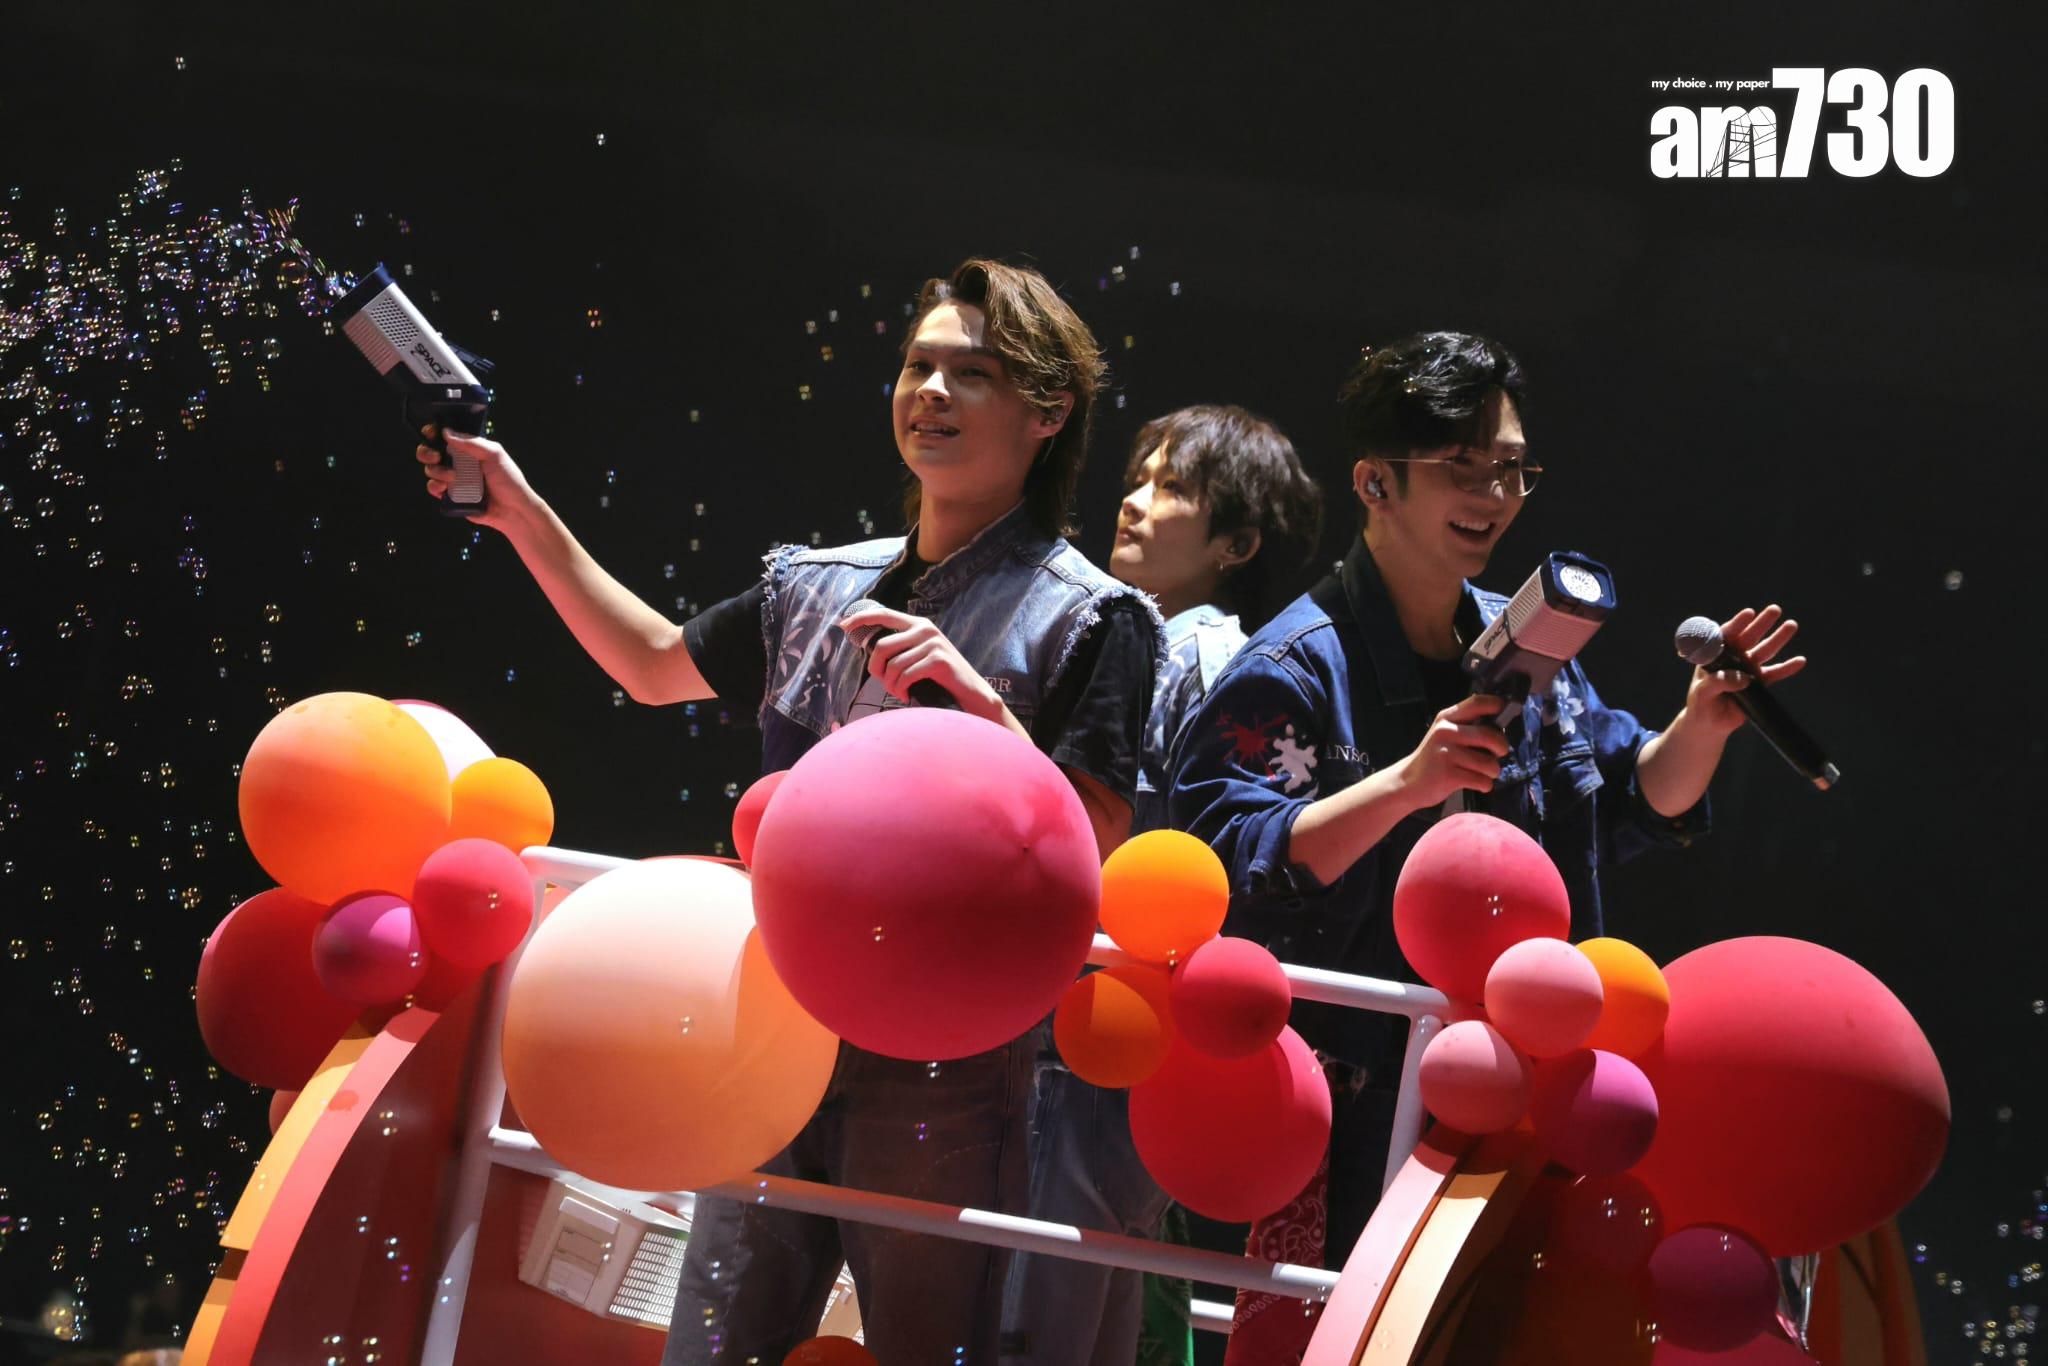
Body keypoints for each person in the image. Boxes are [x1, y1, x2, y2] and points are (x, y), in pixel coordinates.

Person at [416, 258, 1164, 1364]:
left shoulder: (1096, 619)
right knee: (715, 1346)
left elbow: (1096, 852)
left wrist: (986, 713)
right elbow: (652, 663)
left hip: (945, 1063)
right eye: (917, 366)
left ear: (1048, 412)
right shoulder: (816, 584)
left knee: (926, 1348)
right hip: (761, 1020)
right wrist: (518, 511)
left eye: (973, 373)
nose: (932, 392)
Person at [1165, 332, 1809, 1362]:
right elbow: (1224, 865)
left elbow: (1626, 806)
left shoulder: (1528, 646)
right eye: (1462, 467)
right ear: (1375, 482)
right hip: (1352, 1116)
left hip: (1523, 1115)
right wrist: (1404, 784)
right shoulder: (1293, 665)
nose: (1495, 494)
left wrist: (1702, 727)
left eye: (1511, 468)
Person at [1000, 405, 1323, 1366]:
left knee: (1049, 1287)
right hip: (1144, 1021)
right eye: (1137, 480)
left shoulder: (1190, 650)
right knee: (1111, 1280)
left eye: (1172, 488)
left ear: (1237, 544)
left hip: (1107, 1010)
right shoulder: (1197, 648)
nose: (1134, 504)